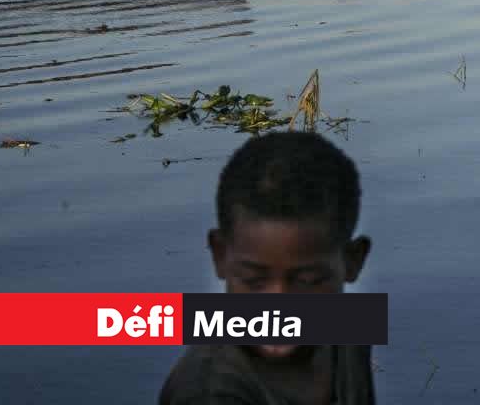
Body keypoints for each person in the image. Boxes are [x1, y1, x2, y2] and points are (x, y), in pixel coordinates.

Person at [160, 132, 375, 405]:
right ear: (219, 256)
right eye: (253, 280)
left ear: (353, 261)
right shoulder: (209, 392)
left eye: (308, 281)